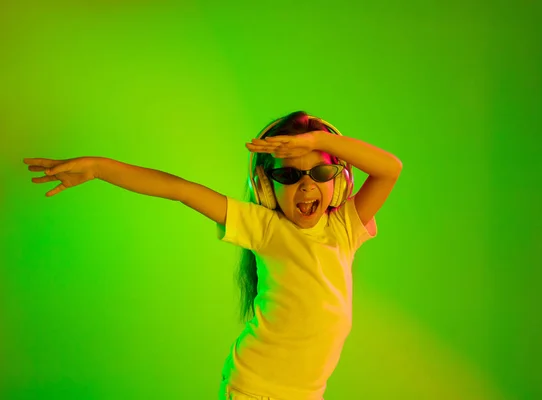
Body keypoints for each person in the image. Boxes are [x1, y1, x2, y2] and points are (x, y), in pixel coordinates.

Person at [23, 111, 403, 400]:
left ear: (338, 182)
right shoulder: (264, 226)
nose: (305, 186)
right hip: (254, 387)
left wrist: (321, 140)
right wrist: (98, 167)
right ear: (267, 188)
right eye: (288, 176)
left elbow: (390, 169)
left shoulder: (345, 228)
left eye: (319, 172)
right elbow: (181, 190)